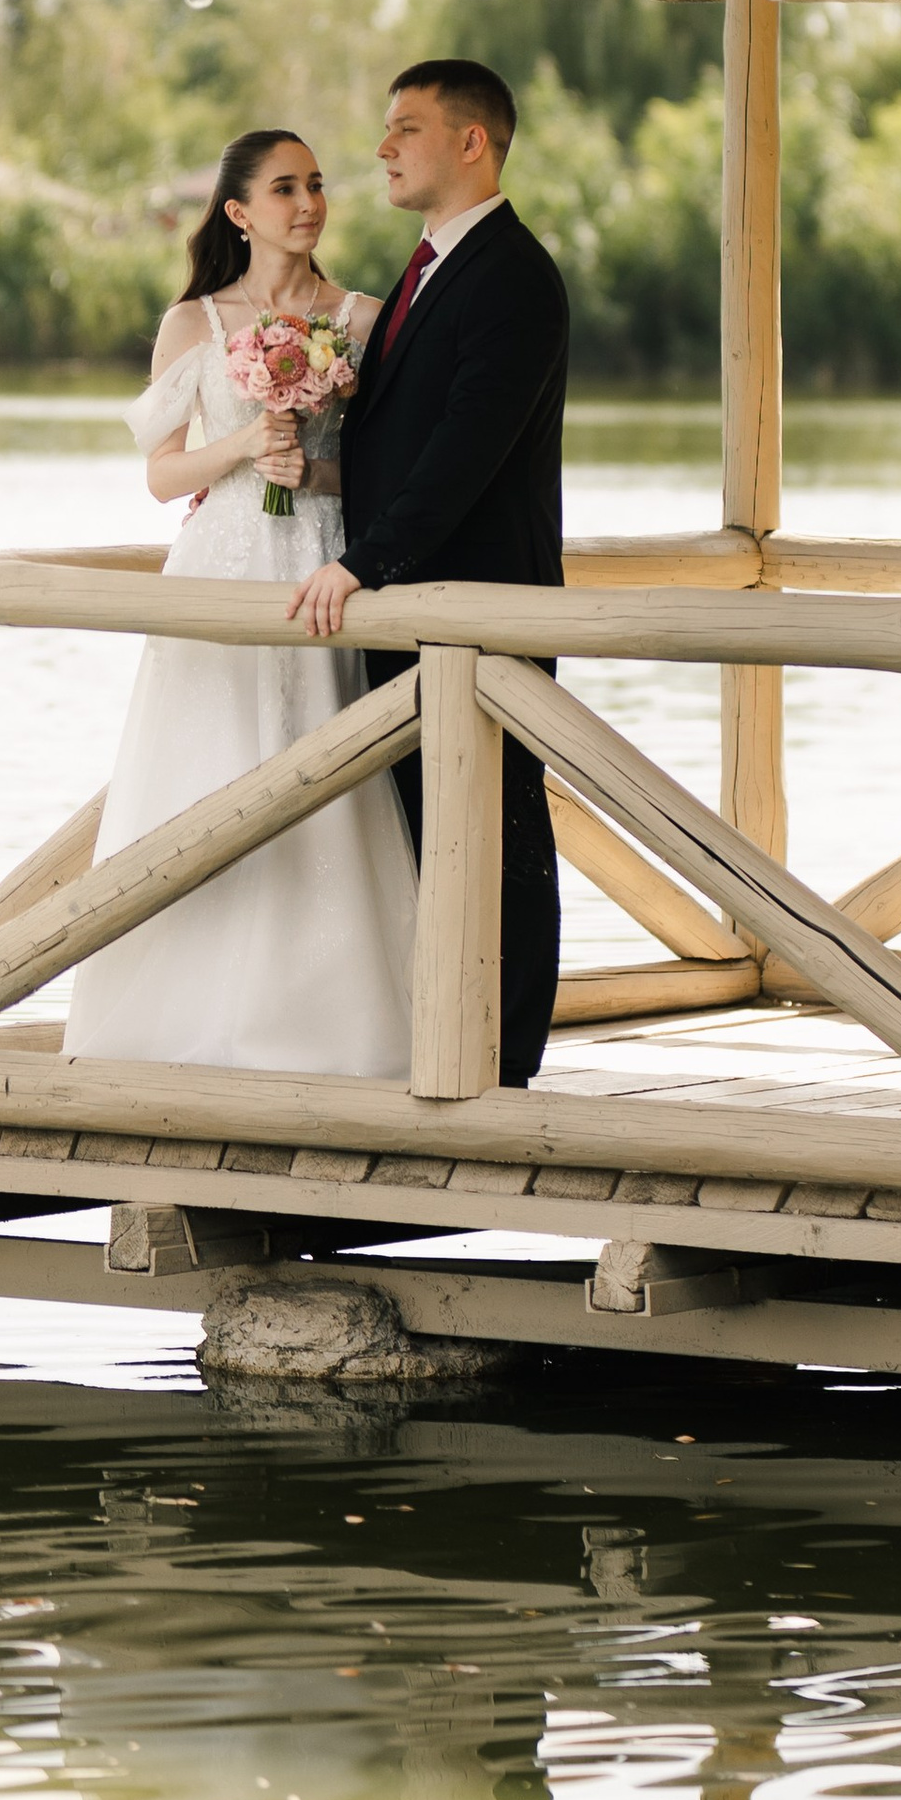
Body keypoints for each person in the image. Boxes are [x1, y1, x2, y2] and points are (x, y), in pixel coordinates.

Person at [62, 127, 416, 1075]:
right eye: (285, 188)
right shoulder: (194, 324)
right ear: (239, 212)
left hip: (321, 566)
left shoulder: (364, 317)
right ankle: (182, 1016)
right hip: (218, 564)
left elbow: (391, 473)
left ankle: (327, 1023)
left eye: (317, 185)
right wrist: (246, 447)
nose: (309, 204)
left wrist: (312, 471)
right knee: (208, 768)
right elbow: (161, 475)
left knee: (320, 765)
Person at [288, 59, 569, 1087]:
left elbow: (465, 449)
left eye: (405, 127)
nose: (383, 148)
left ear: (471, 142)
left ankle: (507, 1056)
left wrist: (362, 563)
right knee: (420, 821)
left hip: (480, 605)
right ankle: (437, 1029)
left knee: (500, 826)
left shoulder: (514, 276)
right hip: (412, 609)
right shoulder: (426, 268)